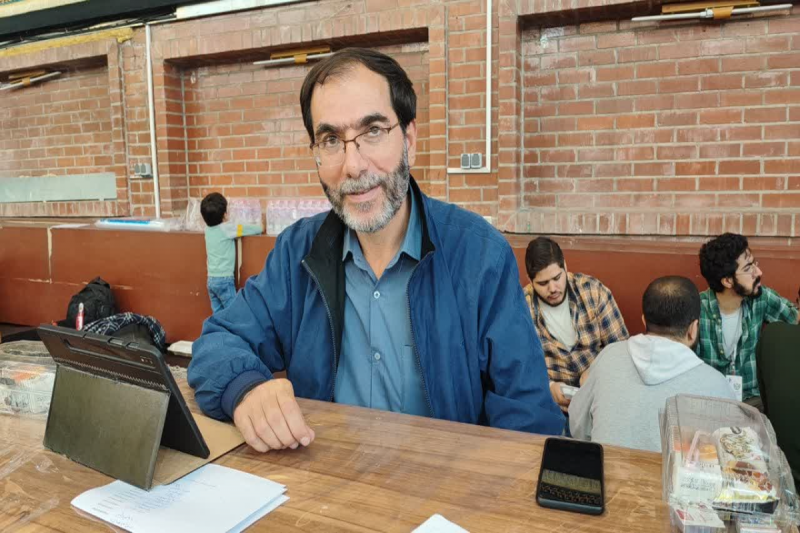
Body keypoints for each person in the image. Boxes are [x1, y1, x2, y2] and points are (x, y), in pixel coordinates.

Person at [188, 48, 564, 453]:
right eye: (331, 140)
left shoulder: (480, 256)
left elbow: (528, 416)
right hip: (326, 481)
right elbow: (218, 341)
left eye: (372, 131)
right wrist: (245, 389)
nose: (353, 165)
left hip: (447, 485)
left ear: (410, 140)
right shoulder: (297, 253)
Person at [569, 276, 736, 453]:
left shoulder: (608, 356)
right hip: (672, 472)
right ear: (693, 329)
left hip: (605, 468)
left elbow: (577, 424)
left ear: (644, 320)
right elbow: (730, 453)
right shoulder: (717, 385)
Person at [523, 236, 629, 412]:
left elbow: (621, 351)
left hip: (601, 396)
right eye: (543, 283)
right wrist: (549, 387)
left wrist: (597, 372)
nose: (552, 289)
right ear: (530, 279)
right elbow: (522, 365)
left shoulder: (593, 292)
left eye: (557, 278)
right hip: (551, 405)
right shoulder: (522, 307)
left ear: (565, 266)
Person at [697, 233, 799, 410]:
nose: (758, 272)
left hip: (753, 402)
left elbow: (795, 319)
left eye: (754, 264)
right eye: (748, 268)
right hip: (710, 403)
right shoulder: (698, 309)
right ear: (727, 281)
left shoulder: (761, 298)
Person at [200, 192, 263, 313]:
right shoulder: (227, 228)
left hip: (211, 280)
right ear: (224, 215)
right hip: (224, 280)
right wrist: (261, 226)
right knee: (234, 313)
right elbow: (250, 229)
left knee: (218, 315)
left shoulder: (207, 230)